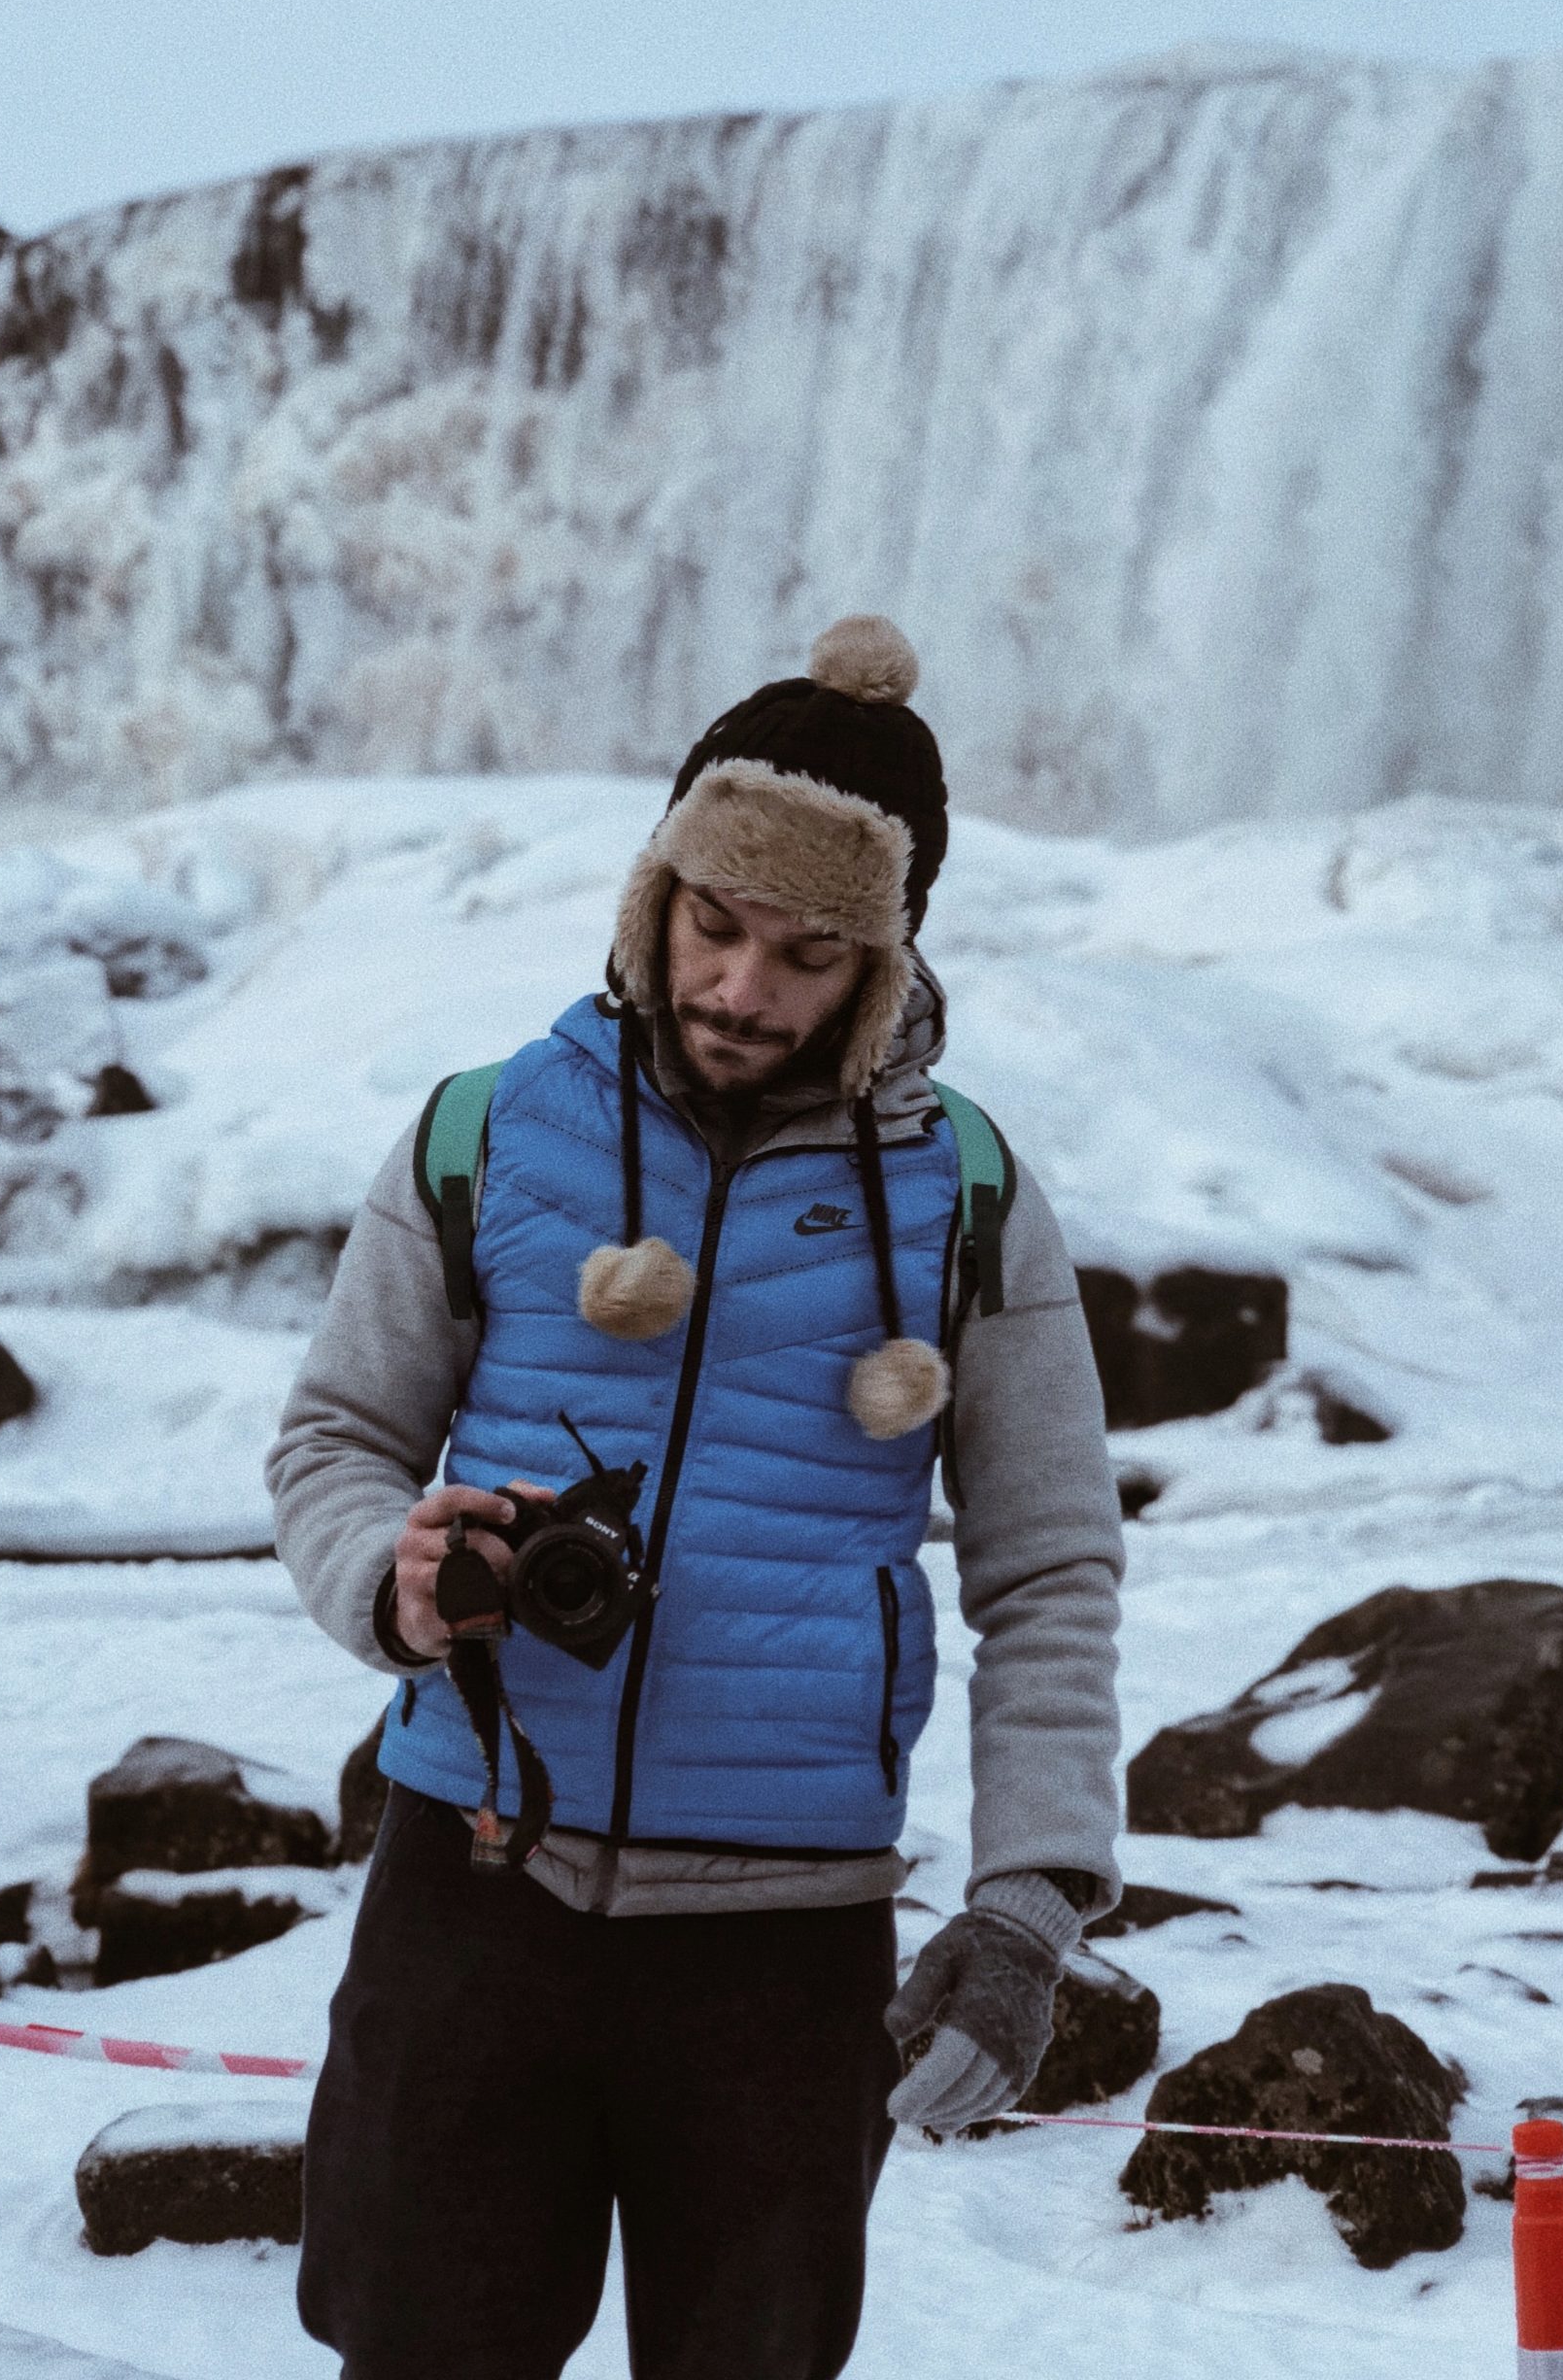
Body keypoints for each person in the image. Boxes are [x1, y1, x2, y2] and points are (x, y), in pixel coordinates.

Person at [266, 615, 1124, 2380]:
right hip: (475, 1884)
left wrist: (1031, 1903)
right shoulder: (482, 1133)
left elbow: (1047, 1570)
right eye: (712, 926)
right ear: (652, 895)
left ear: (883, 963)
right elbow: (335, 1443)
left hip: (786, 1942)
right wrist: (394, 1582)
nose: (742, 989)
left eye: (808, 954)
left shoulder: (969, 1193)